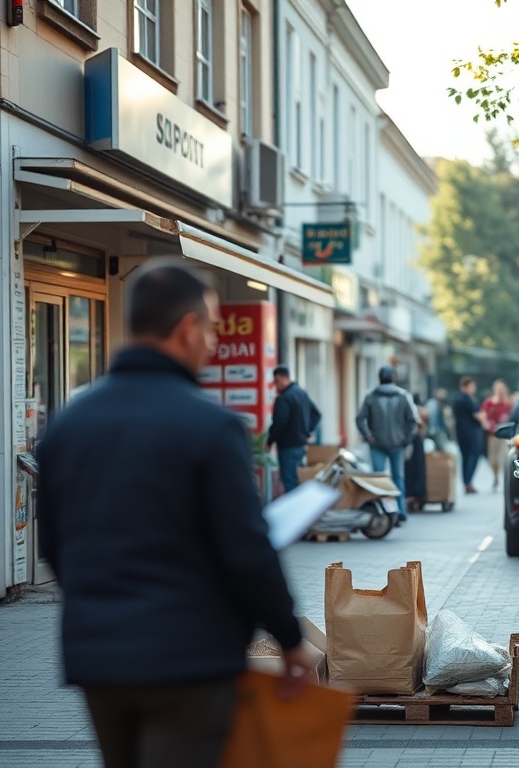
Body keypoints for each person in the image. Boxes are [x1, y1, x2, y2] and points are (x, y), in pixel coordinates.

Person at [35, 261, 312, 768]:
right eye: (209, 327)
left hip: (98, 660)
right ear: (187, 329)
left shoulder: (68, 424)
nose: (211, 341)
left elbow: (53, 546)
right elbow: (246, 550)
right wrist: (289, 639)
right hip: (188, 660)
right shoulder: (210, 426)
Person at [356, 365, 419, 525]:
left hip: (376, 443)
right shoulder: (403, 396)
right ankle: (400, 511)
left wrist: (368, 436)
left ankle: (384, 511)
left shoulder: (371, 396)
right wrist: (406, 439)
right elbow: (413, 420)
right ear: (393, 378)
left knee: (378, 478)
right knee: (398, 477)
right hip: (397, 444)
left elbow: (360, 418)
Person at [267, 366, 321, 494]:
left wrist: (270, 440)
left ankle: (294, 513)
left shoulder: (284, 398)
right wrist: (306, 431)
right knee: (299, 480)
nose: (276, 386)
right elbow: (316, 415)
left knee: (290, 482)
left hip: (288, 446)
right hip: (301, 445)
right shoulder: (301, 393)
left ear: (284, 378)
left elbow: (279, 422)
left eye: (277, 382)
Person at [452, 376, 486, 494]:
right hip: (471, 433)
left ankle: (467, 482)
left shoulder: (457, 399)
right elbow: (478, 415)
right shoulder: (467, 400)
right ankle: (468, 482)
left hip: (461, 432)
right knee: (473, 456)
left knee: (465, 457)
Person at [480, 379, 512, 491]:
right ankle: (495, 477)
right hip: (492, 435)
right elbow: (483, 416)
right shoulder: (489, 403)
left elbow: (512, 417)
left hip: (502, 436)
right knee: (492, 460)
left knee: (500, 459)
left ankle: (499, 478)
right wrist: (486, 423)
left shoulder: (507, 404)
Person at [404, 394, 430, 510]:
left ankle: (409, 495)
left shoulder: (405, 408)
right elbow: (422, 425)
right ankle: (417, 496)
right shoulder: (421, 411)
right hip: (415, 441)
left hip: (406, 442)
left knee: (408, 469)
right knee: (418, 469)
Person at [424, 387, 453, 451]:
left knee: (441, 449)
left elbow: (448, 421)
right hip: (433, 430)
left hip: (442, 431)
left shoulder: (444, 405)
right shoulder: (431, 403)